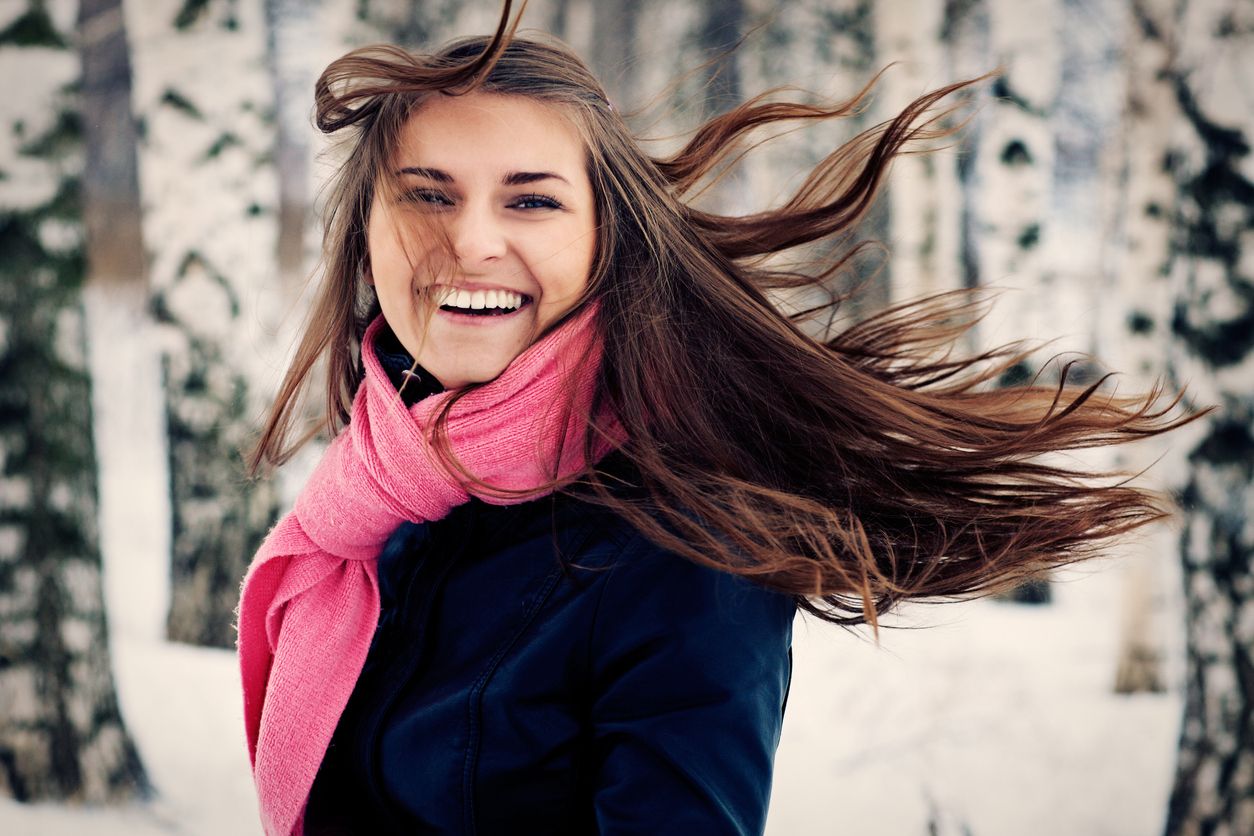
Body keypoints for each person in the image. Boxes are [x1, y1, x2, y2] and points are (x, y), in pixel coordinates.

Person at [237, 4, 1192, 835]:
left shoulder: (685, 545)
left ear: (606, 238)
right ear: (365, 227)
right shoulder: (384, 497)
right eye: (427, 194)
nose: (472, 241)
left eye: (532, 200)